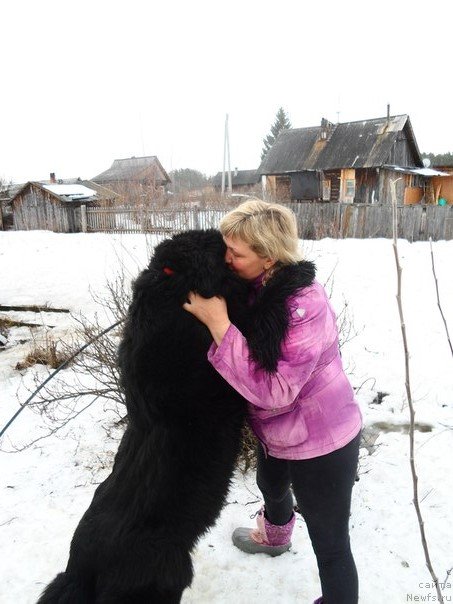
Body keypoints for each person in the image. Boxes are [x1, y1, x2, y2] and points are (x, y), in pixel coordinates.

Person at [182, 199, 362, 604]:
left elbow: (277, 390)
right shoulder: (258, 288)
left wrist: (218, 324)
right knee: (271, 485)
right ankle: (276, 536)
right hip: (277, 430)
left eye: (236, 253)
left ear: (267, 256)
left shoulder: (304, 306)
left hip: (323, 439)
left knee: (331, 544)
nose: (226, 259)